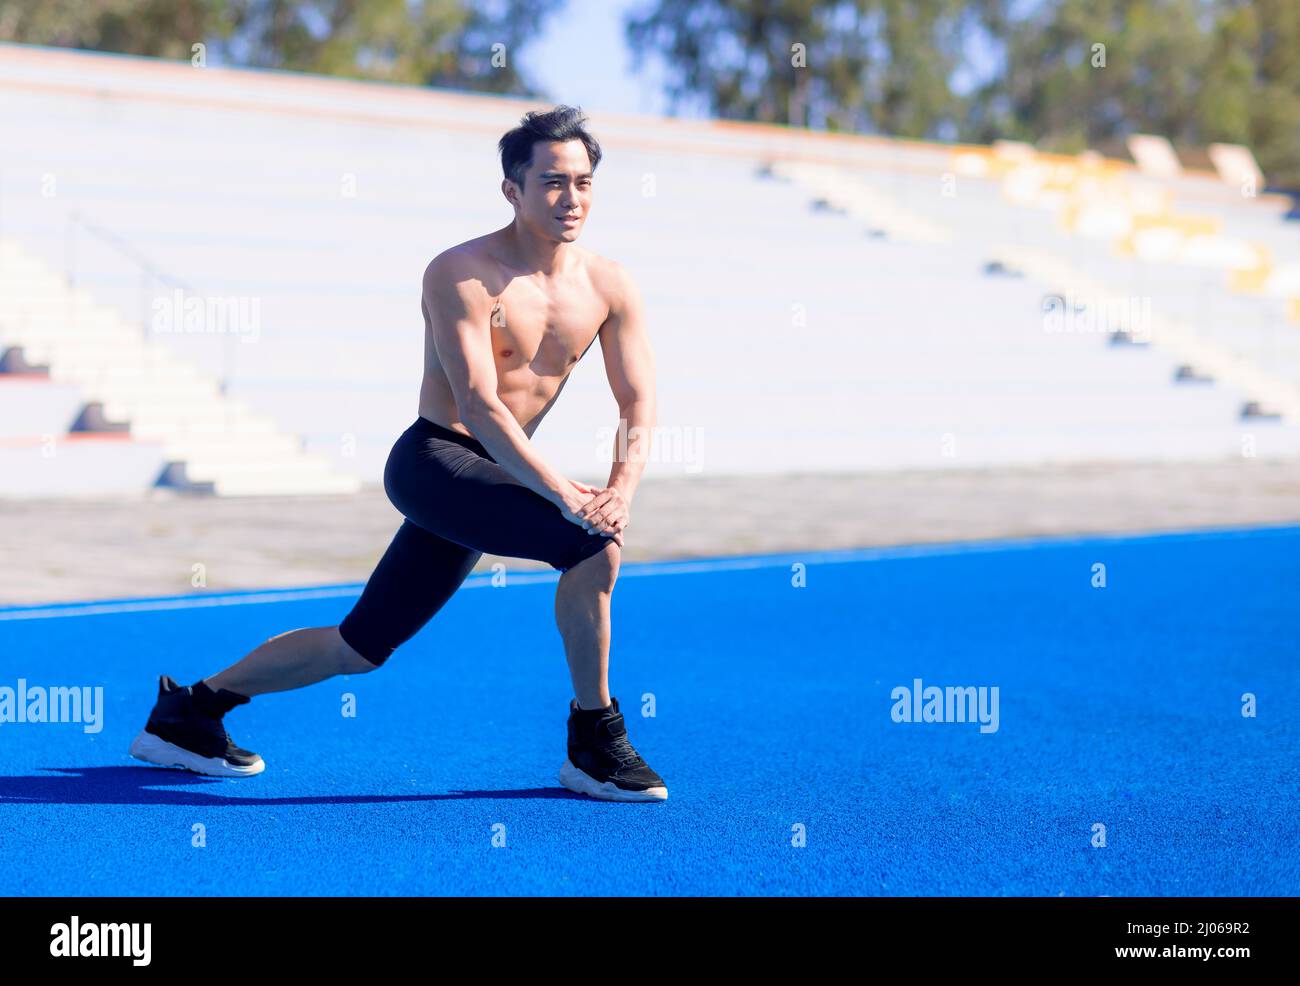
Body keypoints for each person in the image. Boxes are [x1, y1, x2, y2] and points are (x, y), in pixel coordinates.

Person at [129, 105, 667, 802]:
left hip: (498, 471)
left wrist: (621, 486)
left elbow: (638, 402)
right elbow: (478, 403)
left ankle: (191, 711)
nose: (572, 199)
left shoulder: (608, 285)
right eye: (553, 182)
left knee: (357, 649)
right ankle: (595, 740)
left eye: (584, 182)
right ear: (513, 189)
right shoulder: (461, 273)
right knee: (591, 545)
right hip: (436, 462)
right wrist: (567, 493)